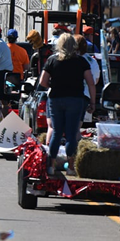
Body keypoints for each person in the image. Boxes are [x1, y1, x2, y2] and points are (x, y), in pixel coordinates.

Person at [39, 33, 95, 175]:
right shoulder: (81, 62)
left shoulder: (52, 60)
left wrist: (54, 83)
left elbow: (42, 82)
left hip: (56, 99)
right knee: (71, 134)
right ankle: (70, 167)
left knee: (56, 132)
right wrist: (93, 102)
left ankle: (51, 165)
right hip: (75, 99)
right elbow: (91, 83)